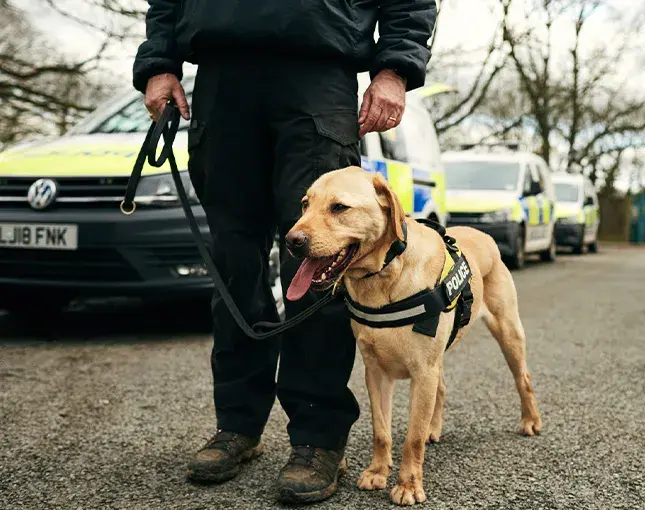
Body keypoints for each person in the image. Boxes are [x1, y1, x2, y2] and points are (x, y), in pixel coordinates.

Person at [132, 0, 437, 503]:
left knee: (320, 261)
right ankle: (236, 427)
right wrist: (160, 63)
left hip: (317, 76)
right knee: (233, 265)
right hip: (222, 83)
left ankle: (318, 439)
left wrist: (395, 68)